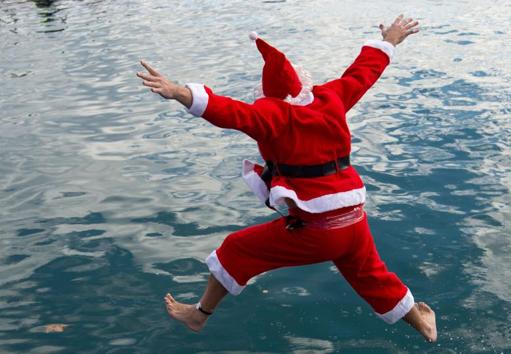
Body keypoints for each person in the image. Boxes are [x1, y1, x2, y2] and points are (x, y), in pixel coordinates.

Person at [137, 15, 437, 343]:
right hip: (353, 219)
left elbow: (230, 112)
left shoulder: (274, 115)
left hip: (321, 229)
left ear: (269, 94)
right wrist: (390, 40)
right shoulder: (330, 98)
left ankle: (199, 316)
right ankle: (423, 324)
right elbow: (362, 72)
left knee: (236, 250)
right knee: (372, 277)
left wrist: (179, 92)